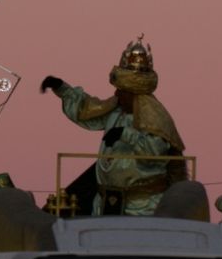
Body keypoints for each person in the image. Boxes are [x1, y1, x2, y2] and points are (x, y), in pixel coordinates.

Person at [41, 37, 186, 216]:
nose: (117, 93)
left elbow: (155, 153)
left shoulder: (156, 120)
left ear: (135, 94)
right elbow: (88, 111)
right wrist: (62, 88)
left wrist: (125, 134)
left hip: (142, 210)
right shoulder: (116, 112)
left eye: (122, 91)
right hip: (105, 205)